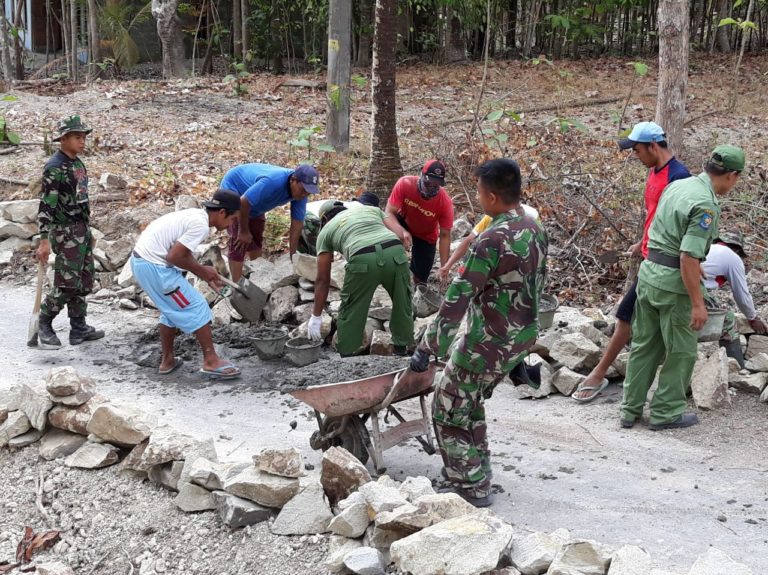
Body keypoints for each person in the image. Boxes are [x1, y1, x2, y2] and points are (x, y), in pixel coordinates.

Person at [409, 158, 548, 507]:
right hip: (520, 337)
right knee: (468, 403)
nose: (477, 196)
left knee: (446, 407)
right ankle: (479, 470)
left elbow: (456, 301)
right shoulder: (534, 228)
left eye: (478, 191)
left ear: (490, 197)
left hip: (488, 342)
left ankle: (470, 485)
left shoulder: (490, 241)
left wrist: (428, 348)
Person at [620, 145, 745, 431]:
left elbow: (664, 234)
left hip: (649, 274)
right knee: (681, 351)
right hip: (673, 286)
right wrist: (698, 303)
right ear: (732, 175)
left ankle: (630, 409)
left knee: (644, 345)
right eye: (736, 179)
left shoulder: (679, 185)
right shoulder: (705, 204)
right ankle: (665, 412)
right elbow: (687, 256)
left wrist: (693, 263)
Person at [572, 121, 690, 401]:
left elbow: (680, 225)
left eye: (637, 150)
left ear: (653, 146)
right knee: (636, 323)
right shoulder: (654, 171)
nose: (635, 156)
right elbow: (656, 217)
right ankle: (635, 396)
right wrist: (642, 241)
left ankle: (600, 375)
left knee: (626, 315)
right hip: (650, 257)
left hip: (664, 266)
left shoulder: (680, 178)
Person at [130, 189, 242, 379]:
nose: (232, 224)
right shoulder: (201, 225)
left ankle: (167, 361)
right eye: (232, 219)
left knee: (171, 310)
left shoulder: (196, 216)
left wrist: (206, 274)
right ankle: (211, 362)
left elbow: (181, 252)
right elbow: (174, 256)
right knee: (197, 307)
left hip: (142, 263)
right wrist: (202, 270)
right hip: (155, 268)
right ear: (222, 213)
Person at [34, 115, 105, 349]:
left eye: (84, 137)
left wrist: (88, 230)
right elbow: (47, 205)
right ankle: (44, 323)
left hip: (80, 228)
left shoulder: (77, 164)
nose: (82, 141)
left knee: (84, 281)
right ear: (63, 139)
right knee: (67, 282)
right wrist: (44, 240)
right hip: (64, 231)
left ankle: (78, 328)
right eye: (77, 137)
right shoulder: (54, 168)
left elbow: (82, 199)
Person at [308, 200, 413, 356]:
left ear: (324, 219)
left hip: (362, 259)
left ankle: (347, 355)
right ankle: (401, 349)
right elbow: (401, 236)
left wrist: (316, 316)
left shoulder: (326, 231)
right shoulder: (371, 209)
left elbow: (323, 279)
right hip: (395, 253)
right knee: (402, 301)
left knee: (352, 308)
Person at [221, 163, 321, 281]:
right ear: (293, 180)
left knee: (256, 236)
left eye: (309, 192)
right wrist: (243, 231)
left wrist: (293, 256)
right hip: (236, 190)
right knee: (240, 241)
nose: (305, 194)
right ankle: (236, 286)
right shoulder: (273, 181)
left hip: (255, 202)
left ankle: (256, 277)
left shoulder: (301, 194)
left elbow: (297, 224)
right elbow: (243, 202)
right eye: (303, 190)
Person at [702, 230, 767, 366]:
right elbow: (741, 294)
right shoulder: (732, 258)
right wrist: (752, 318)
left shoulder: (708, 247)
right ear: (738, 249)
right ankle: (735, 367)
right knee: (727, 320)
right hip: (695, 290)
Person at [384, 160, 454, 284]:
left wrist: (445, 267)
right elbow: (388, 213)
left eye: (435, 185)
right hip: (403, 222)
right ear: (421, 176)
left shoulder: (445, 203)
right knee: (387, 238)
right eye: (428, 183)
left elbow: (444, 235)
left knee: (420, 279)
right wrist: (402, 232)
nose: (431, 189)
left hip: (426, 236)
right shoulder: (405, 184)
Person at [437, 204, 540, 284]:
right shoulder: (491, 216)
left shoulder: (532, 218)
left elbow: (536, 249)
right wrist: (448, 266)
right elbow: (468, 240)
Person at [298, 192, 382, 256]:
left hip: (304, 214)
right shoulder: (360, 210)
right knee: (318, 254)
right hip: (310, 218)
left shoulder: (355, 208)